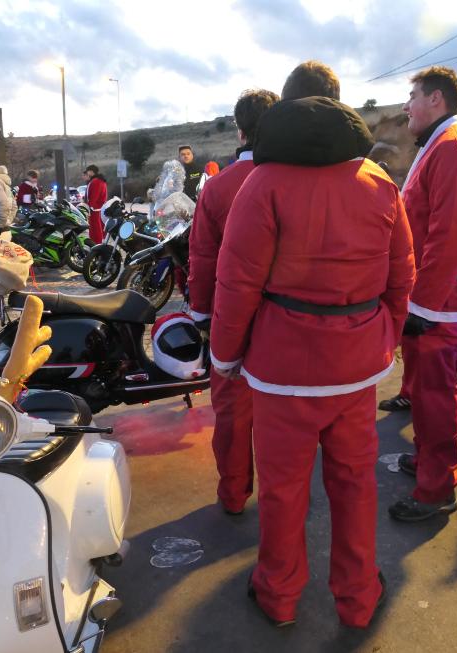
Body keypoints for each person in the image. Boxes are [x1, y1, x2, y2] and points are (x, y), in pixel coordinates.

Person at [211, 61, 414, 629]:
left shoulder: (263, 184)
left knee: (282, 490)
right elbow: (403, 276)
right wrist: (384, 337)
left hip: (281, 373)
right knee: (355, 484)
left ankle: (277, 595)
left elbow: (237, 283)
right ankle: (357, 599)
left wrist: (225, 357)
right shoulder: (379, 184)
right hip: (355, 371)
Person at [387, 66, 457, 523]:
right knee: (444, 386)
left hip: (442, 297)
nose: (406, 106)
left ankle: (435, 488)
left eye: (412, 96)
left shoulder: (452, 146)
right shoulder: (450, 143)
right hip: (452, 291)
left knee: (434, 392)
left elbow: (449, 232)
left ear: (435, 99)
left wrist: (422, 304)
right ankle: (433, 458)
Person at [188, 88, 279, 516]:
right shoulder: (293, 180)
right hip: (286, 321)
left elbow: (202, 259)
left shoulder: (218, 187)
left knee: (231, 413)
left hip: (232, 319)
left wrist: (201, 315)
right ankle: (284, 496)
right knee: (282, 415)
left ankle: (234, 493)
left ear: (240, 130)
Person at [83, 165, 108, 244]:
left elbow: (93, 197)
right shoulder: (100, 180)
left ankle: (96, 244)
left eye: (88, 171)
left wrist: (89, 207)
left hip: (94, 209)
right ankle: (98, 243)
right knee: (98, 227)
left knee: (95, 229)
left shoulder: (95, 181)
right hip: (99, 208)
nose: (87, 173)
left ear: (91, 172)